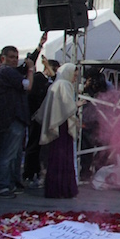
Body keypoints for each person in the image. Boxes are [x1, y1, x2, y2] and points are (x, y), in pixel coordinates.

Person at [0, 46, 34, 198]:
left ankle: (7, 183)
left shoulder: (6, 73)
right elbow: (27, 86)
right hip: (12, 118)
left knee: (11, 154)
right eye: (11, 57)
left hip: (11, 118)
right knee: (7, 154)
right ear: (3, 58)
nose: (14, 60)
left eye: (16, 57)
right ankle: (2, 186)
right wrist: (30, 70)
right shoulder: (6, 72)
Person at [39, 63, 82, 199]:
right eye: (74, 75)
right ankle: (63, 189)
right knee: (63, 158)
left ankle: (55, 188)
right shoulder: (64, 85)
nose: (75, 78)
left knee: (56, 157)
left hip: (58, 125)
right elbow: (66, 106)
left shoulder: (56, 84)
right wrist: (77, 104)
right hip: (62, 126)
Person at [23, 57, 59, 187]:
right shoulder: (38, 78)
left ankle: (38, 171)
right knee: (34, 145)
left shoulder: (52, 81)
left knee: (43, 147)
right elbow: (32, 96)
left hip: (47, 118)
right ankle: (29, 172)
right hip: (37, 117)